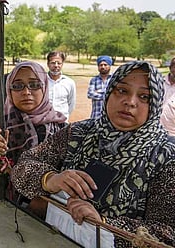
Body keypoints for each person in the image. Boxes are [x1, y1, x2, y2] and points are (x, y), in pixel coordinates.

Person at [11, 61, 175, 247]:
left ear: (155, 104)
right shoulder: (78, 133)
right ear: (109, 92)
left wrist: (103, 224)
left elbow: (167, 232)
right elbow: (22, 167)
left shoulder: (166, 156)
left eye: (144, 96)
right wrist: (51, 180)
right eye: (122, 91)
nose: (130, 102)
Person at [0, 61, 67, 203]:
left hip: (44, 215)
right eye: (17, 86)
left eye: (34, 85)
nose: (26, 92)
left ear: (45, 87)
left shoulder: (61, 128)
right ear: (9, 90)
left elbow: (68, 178)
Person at [46, 51, 76, 121]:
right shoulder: (42, 82)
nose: (56, 65)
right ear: (48, 64)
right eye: (53, 63)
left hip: (62, 122)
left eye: (59, 63)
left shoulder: (69, 83)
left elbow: (71, 104)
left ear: (62, 64)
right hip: (45, 123)